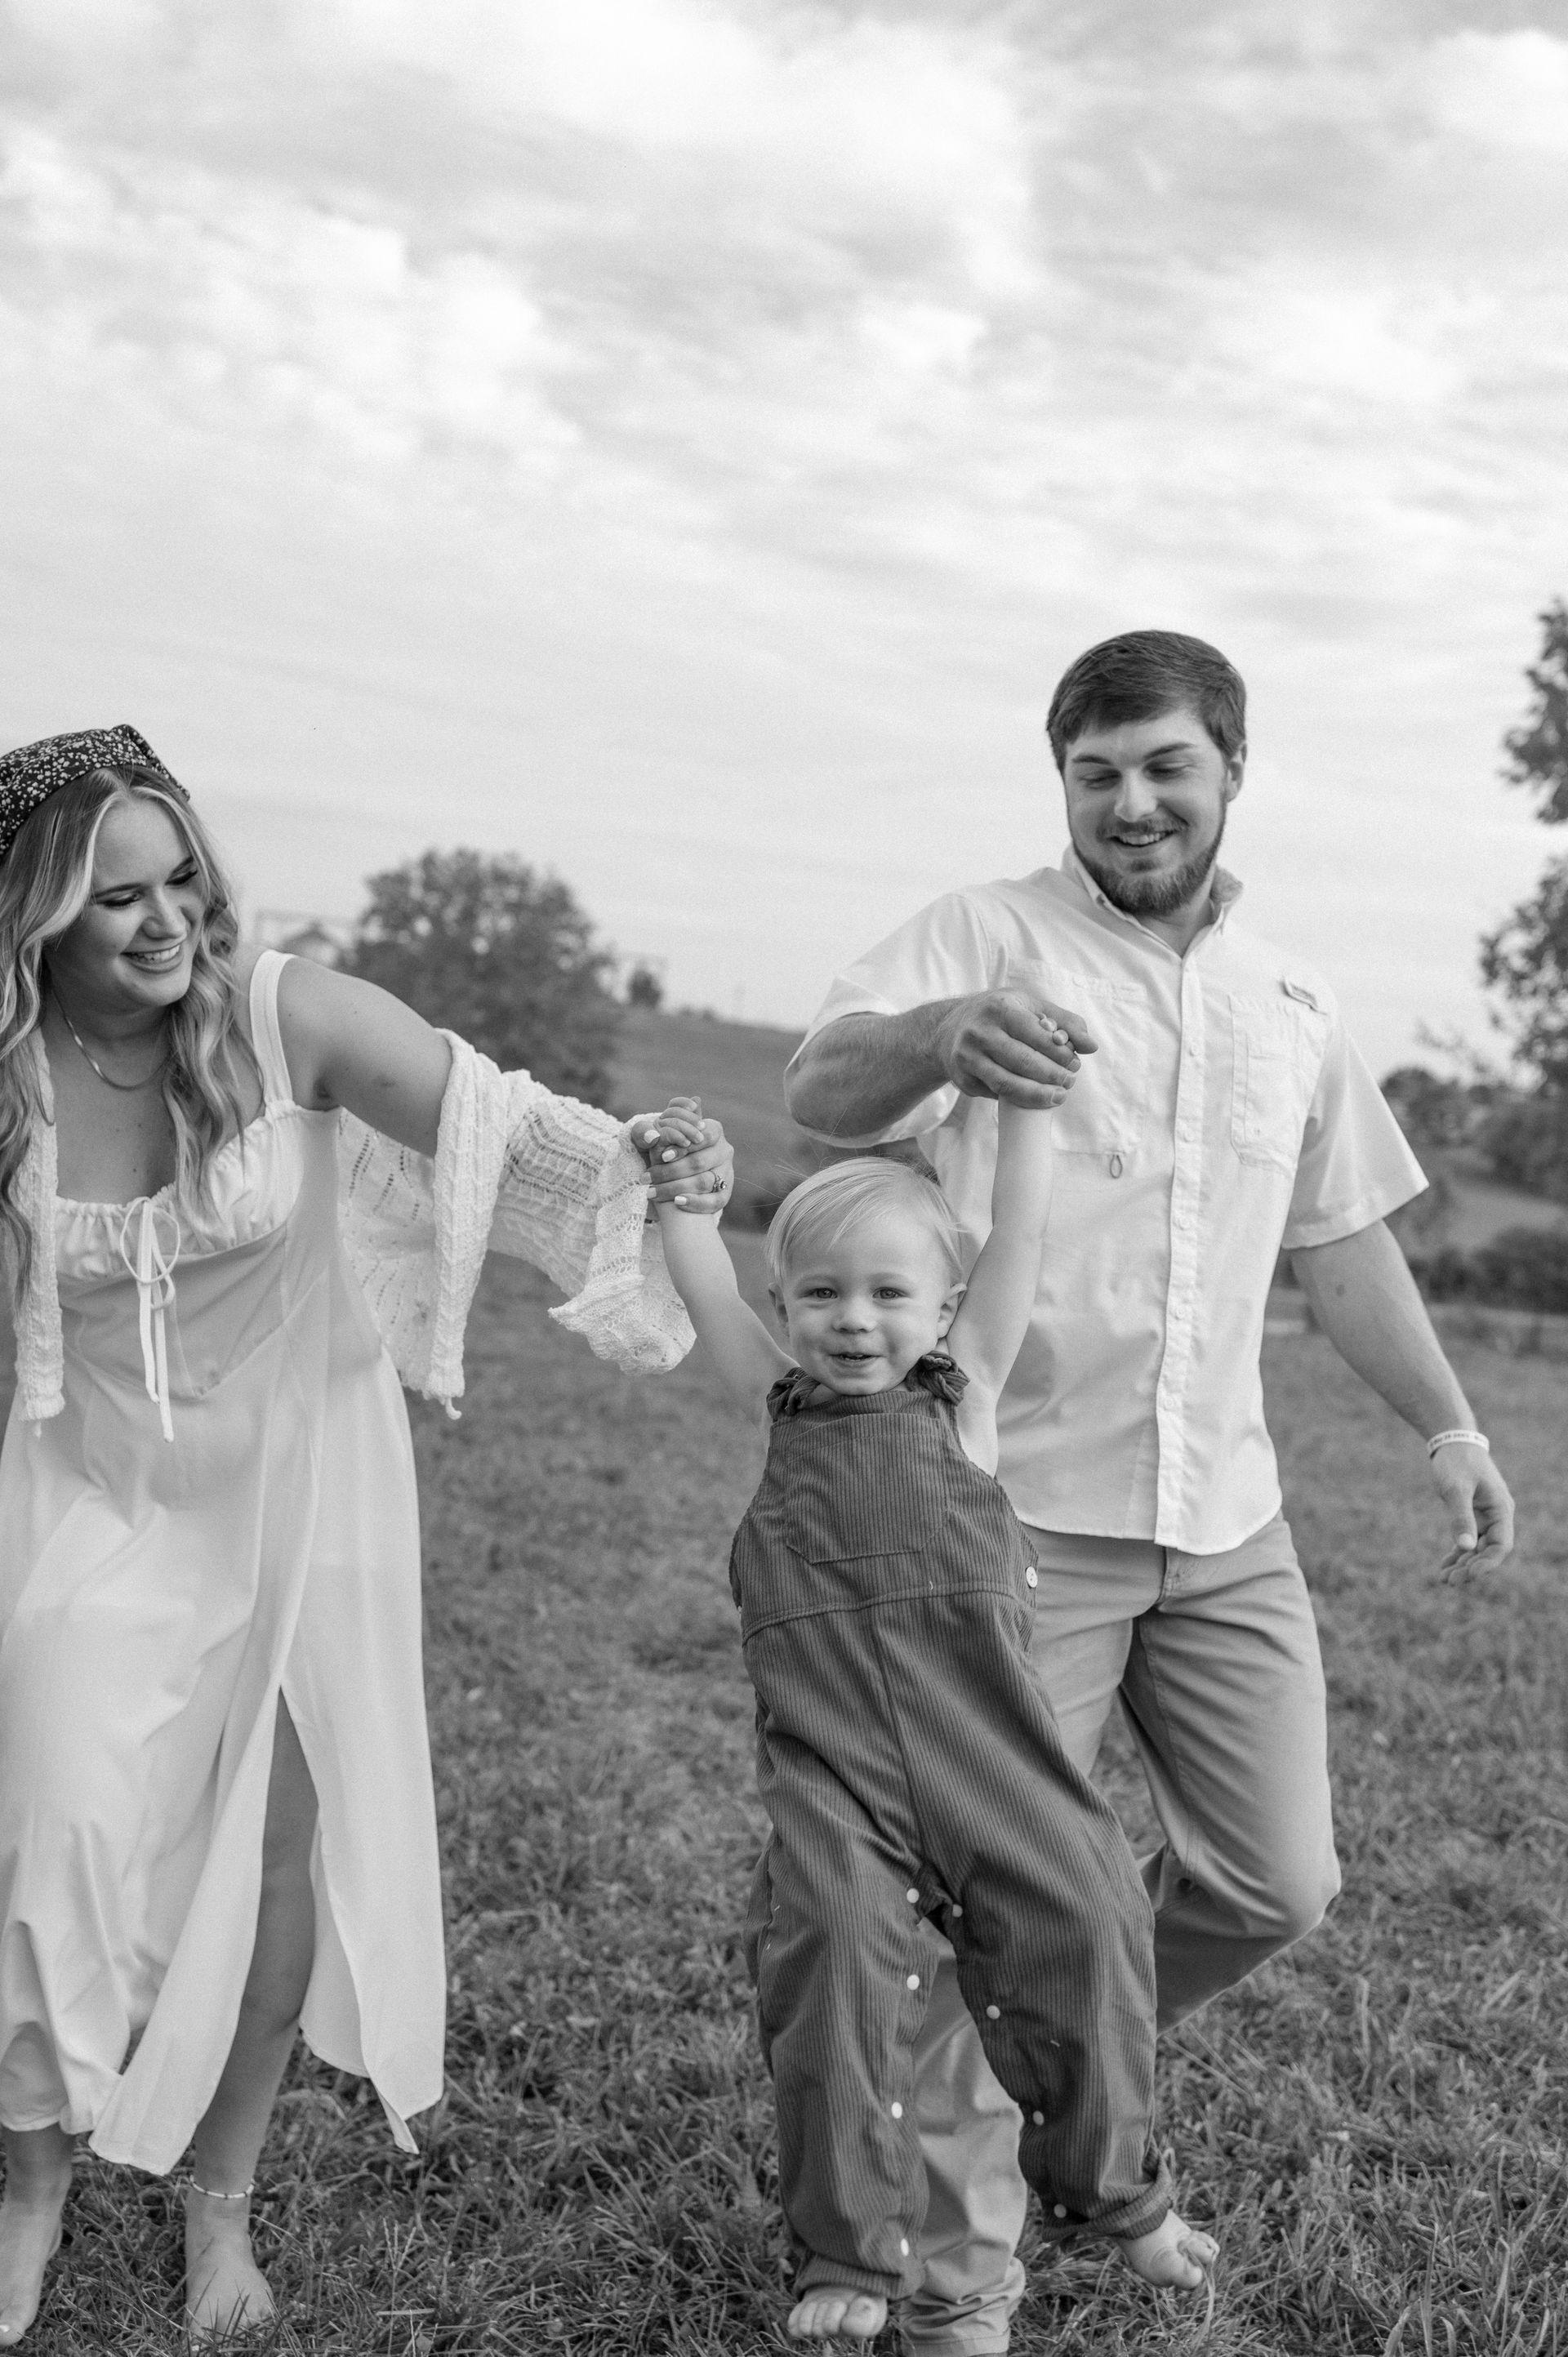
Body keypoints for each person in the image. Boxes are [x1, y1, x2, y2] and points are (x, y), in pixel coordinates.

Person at [783, 630, 1517, 2356]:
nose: (1130, 801)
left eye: (1164, 766)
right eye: (1096, 771)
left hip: (1229, 1523)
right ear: (1065, 784)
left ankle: (1053, 2063)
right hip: (1016, 1518)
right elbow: (823, 1091)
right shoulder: (986, 936)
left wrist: (1453, 1429)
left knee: (1281, 1881)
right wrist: (942, 1035)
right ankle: (962, 2295)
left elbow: (1343, 1248)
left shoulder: (1294, 997)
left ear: (1230, 772)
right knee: (1003, 1901)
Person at [0, 726, 732, 2346]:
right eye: (112, 895)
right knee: (54, 1818)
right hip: (85, 1480)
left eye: (180, 875)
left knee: (278, 1861)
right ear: (30, 915)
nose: (165, 919)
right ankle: (33, 2178)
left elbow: (514, 1134)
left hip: (303, 1484)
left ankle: (221, 2199)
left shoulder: (289, 1015)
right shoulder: (8, 1078)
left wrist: (663, 1175)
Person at [633, 1096, 1217, 2344]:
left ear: (944, 1309)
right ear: (786, 1309)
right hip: (832, 1760)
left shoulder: (971, 1398)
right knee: (826, 1955)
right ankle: (848, 2253)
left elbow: (1014, 1232)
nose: (854, 1320)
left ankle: (1118, 2193)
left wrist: (1025, 1114)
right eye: (822, 1295)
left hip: (985, 1746)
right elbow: (704, 1281)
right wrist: (686, 1198)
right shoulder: (777, 1401)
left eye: (890, 1293)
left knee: (1095, 1910)